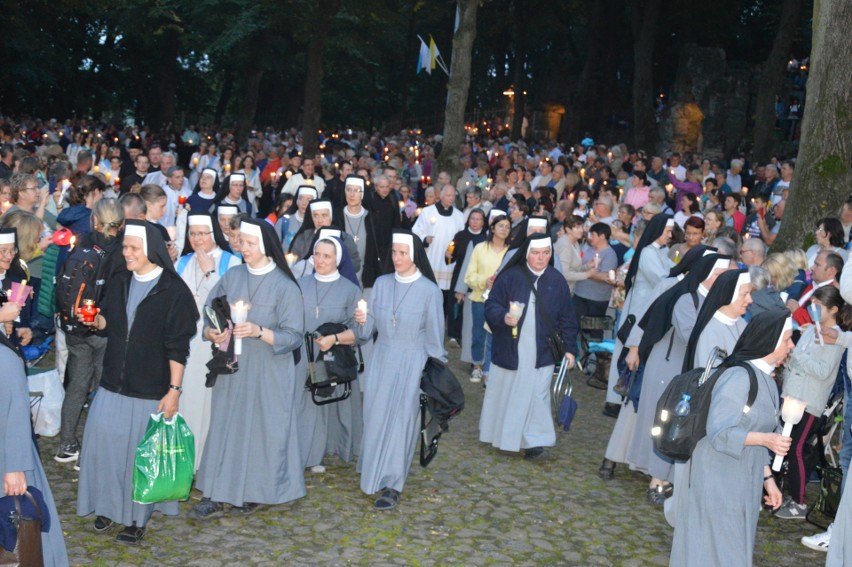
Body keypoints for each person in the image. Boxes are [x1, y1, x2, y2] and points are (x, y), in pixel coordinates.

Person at [76, 220, 198, 545]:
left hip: (149, 388)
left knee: (138, 457)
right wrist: (94, 319)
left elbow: (178, 348)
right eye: (125, 247)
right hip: (113, 382)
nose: (125, 253)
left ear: (150, 250)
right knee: (104, 447)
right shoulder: (120, 281)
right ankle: (106, 506)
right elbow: (110, 322)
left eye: (132, 248)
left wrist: (174, 392)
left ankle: (135, 518)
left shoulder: (174, 291)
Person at [190, 219, 305, 518]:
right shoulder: (234, 276)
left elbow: (294, 336)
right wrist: (212, 333)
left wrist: (258, 331)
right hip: (233, 366)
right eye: (242, 242)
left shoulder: (284, 285)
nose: (244, 248)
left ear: (266, 245)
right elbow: (210, 311)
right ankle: (215, 492)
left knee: (262, 430)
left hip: (269, 369)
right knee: (226, 426)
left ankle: (257, 490)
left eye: (251, 243)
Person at [669, 310, 794, 567]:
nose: (791, 346)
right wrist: (767, 440)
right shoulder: (738, 377)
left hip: (742, 479)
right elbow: (720, 432)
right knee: (718, 550)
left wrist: (768, 480)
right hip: (718, 478)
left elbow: (757, 434)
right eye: (787, 339)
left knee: (730, 547)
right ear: (768, 341)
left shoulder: (768, 381)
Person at [356, 230, 445, 510]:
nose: (397, 258)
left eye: (403, 253)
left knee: (401, 425)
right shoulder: (381, 284)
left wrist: (433, 377)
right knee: (375, 418)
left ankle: (393, 484)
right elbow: (367, 331)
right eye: (394, 253)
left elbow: (435, 339)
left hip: (412, 363)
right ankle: (373, 472)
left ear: (415, 255)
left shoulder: (430, 292)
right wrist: (361, 319)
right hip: (381, 360)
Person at [480, 234, 579, 460]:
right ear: (526, 254)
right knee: (508, 393)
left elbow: (567, 318)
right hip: (511, 347)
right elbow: (491, 305)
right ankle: (504, 437)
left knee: (538, 395)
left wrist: (570, 349)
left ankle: (535, 442)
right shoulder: (510, 277)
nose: (541, 258)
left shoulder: (556, 280)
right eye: (536, 253)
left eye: (546, 253)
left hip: (542, 351)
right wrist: (504, 317)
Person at [54, 199, 125, 464]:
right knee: (102, 388)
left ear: (94, 220)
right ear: (122, 223)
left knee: (77, 385)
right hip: (103, 327)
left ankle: (66, 443)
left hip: (75, 328)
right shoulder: (121, 251)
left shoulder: (79, 243)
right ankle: (96, 446)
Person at [1, 307, 70, 565]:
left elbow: (17, 413)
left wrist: (16, 467)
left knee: (22, 538)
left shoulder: (5, 359)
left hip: (7, 458)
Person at [775, 286, 848, 520]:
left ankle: (799, 501)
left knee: (796, 448)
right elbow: (798, 363)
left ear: (833, 309)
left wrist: (797, 356)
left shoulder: (834, 337)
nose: (813, 309)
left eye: (819, 306)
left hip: (809, 402)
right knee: (781, 445)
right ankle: (778, 492)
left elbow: (824, 371)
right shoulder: (810, 331)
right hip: (791, 395)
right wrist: (788, 361)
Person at [295, 236, 367, 474]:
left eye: (327, 256)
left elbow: (360, 332)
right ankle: (308, 453)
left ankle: (334, 447)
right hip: (305, 356)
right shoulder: (300, 284)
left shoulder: (350, 290)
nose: (320, 260)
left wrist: (334, 339)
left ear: (338, 259)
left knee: (333, 406)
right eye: (317, 254)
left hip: (333, 356)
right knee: (307, 407)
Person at [175, 212, 239, 471]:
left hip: (215, 344)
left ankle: (209, 464)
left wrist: (210, 273)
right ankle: (185, 462)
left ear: (214, 234)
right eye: (193, 234)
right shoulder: (181, 263)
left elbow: (231, 305)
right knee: (186, 402)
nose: (197, 239)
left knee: (209, 407)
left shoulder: (232, 262)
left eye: (203, 233)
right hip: (185, 343)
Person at [464, 212, 510, 383]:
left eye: (507, 227)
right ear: (492, 228)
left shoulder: (510, 251)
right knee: (478, 334)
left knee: (495, 335)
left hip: (501, 301)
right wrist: (485, 281)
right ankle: (477, 365)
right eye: (501, 226)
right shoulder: (480, 249)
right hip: (480, 298)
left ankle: (489, 370)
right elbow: (469, 276)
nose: (504, 229)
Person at [412, 185, 465, 315]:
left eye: (453, 195)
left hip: (449, 261)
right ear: (440, 196)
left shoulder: (459, 216)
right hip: (431, 257)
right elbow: (416, 231)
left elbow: (462, 237)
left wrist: (454, 250)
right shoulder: (428, 212)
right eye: (448, 195)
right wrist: (425, 238)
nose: (451, 198)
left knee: (445, 295)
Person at [449, 209, 487, 359]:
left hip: (476, 280)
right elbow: (451, 255)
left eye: (478, 219)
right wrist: (449, 255)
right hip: (460, 274)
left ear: (483, 222)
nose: (475, 222)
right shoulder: (461, 236)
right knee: (455, 307)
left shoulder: (485, 239)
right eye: (472, 219)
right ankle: (454, 335)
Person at [554, 215, 588, 293]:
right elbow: (564, 274)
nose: (581, 230)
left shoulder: (575, 242)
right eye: (577, 227)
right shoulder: (565, 244)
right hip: (559, 290)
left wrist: (588, 266)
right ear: (568, 229)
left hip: (568, 289)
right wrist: (587, 274)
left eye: (582, 227)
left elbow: (574, 268)